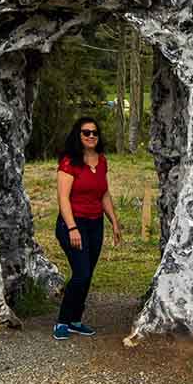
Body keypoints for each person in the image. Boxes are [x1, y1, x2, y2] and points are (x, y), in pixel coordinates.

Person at [53, 116, 123, 340]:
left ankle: (75, 320)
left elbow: (103, 193)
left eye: (94, 132)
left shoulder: (101, 161)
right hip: (73, 223)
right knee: (81, 273)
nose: (91, 136)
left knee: (88, 273)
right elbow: (63, 199)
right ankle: (62, 321)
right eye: (86, 132)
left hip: (95, 224)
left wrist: (113, 221)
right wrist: (72, 228)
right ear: (78, 135)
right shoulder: (69, 162)